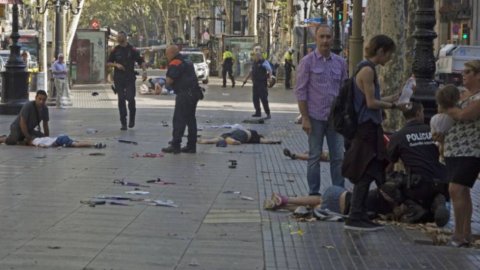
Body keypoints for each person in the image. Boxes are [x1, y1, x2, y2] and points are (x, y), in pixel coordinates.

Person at [342, 35, 410, 231]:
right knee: (366, 171)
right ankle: (355, 215)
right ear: (380, 51)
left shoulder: (364, 68)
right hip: (367, 128)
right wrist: (394, 106)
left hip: (368, 127)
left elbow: (369, 99)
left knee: (369, 170)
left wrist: (394, 97)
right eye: (389, 54)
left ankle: (359, 213)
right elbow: (372, 104)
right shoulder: (368, 71)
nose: (390, 59)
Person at [294, 24, 348, 196]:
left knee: (338, 157)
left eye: (328, 37)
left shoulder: (340, 63)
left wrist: (345, 115)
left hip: (335, 119)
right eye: (322, 37)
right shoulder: (307, 62)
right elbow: (301, 91)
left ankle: (338, 193)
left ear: (332, 39)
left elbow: (344, 90)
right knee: (314, 156)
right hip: (315, 117)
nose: (325, 40)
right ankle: (313, 193)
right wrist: (305, 117)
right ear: (316, 39)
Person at [387, 102, 450, 227]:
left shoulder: (398, 136)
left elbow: (389, 164)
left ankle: (413, 206)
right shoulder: (433, 131)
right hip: (441, 181)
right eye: (423, 112)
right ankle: (438, 202)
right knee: (433, 183)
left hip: (418, 185)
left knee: (388, 180)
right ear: (418, 113)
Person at [438, 60, 480, 247]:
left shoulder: (477, 98)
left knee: (455, 189)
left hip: (470, 149)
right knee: (462, 191)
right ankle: (466, 233)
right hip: (453, 149)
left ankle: (458, 234)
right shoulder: (462, 96)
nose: (464, 74)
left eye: (468, 71)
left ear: (478, 75)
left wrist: (445, 106)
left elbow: (464, 115)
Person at [161, 45, 202, 154]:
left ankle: (175, 145)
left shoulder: (175, 62)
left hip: (185, 94)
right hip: (195, 93)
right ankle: (191, 146)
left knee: (179, 119)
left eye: (167, 54)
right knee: (191, 119)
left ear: (172, 53)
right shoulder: (187, 61)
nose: (166, 56)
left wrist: (163, 85)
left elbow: (169, 80)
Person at [107, 31, 147, 130]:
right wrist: (116, 65)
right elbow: (108, 62)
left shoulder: (132, 49)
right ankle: (123, 122)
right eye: (117, 37)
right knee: (121, 99)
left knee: (130, 98)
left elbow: (141, 60)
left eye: (120, 37)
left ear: (125, 38)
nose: (118, 38)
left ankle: (132, 118)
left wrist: (144, 71)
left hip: (129, 77)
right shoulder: (115, 50)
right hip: (119, 78)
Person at [243, 51, 272, 119]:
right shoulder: (254, 63)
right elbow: (251, 71)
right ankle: (258, 112)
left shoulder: (264, 62)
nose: (254, 57)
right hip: (255, 83)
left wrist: (270, 78)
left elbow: (269, 70)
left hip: (262, 83)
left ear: (259, 56)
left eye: (256, 56)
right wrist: (246, 79)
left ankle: (268, 113)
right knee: (255, 98)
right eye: (254, 56)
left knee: (264, 99)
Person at [197, 128, 281, 145]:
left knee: (220, 138)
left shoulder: (254, 135)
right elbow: (266, 141)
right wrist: (275, 141)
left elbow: (266, 141)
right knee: (234, 140)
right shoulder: (256, 138)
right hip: (243, 136)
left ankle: (206, 141)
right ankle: (231, 140)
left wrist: (275, 141)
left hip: (236, 131)